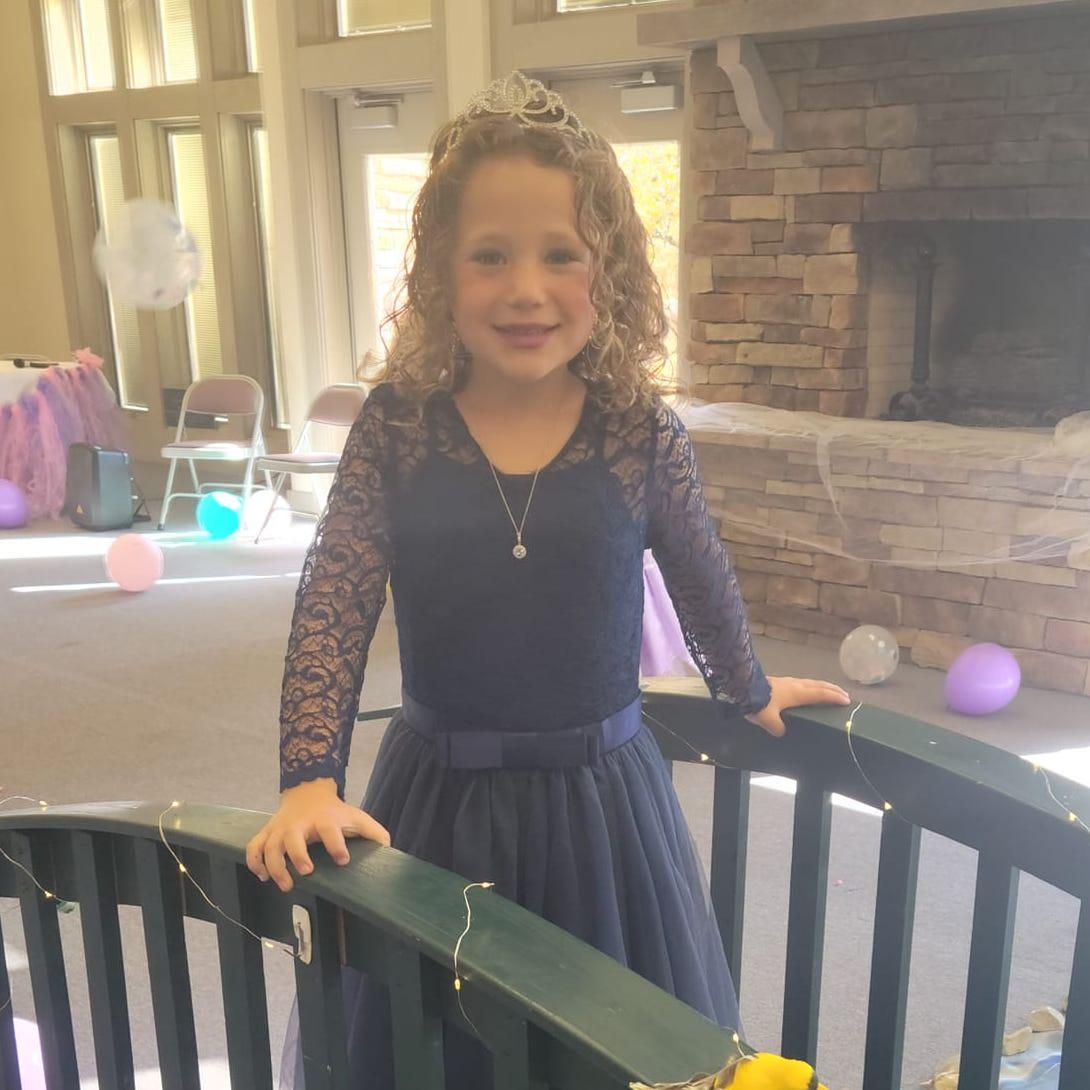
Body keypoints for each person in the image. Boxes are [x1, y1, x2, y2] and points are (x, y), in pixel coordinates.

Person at [245, 71, 851, 1087]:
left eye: (560, 255)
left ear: (608, 274)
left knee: (611, 1040)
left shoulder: (639, 431)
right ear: (442, 273)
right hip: (437, 804)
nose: (525, 289)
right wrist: (309, 777)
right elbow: (333, 601)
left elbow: (699, 569)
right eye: (490, 256)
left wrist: (745, 684)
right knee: (434, 1044)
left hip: (604, 813)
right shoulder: (398, 425)